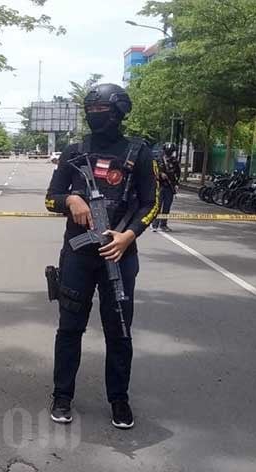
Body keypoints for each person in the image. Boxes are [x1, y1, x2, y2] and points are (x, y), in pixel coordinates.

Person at [44, 83, 159, 429]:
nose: (96, 119)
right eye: (91, 112)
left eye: (102, 113)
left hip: (120, 255)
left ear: (119, 114)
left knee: (119, 331)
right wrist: (71, 201)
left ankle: (119, 399)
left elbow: (150, 202)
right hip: (79, 255)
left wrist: (128, 236)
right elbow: (51, 198)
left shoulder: (139, 153)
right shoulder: (74, 151)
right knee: (69, 328)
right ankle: (62, 396)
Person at [151, 143, 181, 232]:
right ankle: (154, 225)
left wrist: (176, 184)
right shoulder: (158, 160)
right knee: (158, 206)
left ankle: (163, 225)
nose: (169, 153)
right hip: (159, 186)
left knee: (167, 206)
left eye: (171, 152)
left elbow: (177, 173)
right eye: (168, 151)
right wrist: (160, 174)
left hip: (170, 187)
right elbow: (152, 171)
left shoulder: (174, 161)